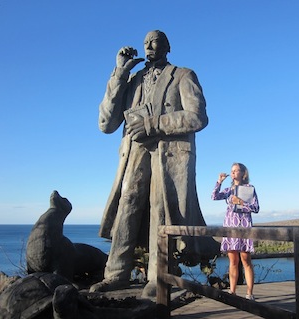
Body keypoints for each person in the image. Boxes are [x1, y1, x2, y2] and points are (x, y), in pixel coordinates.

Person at [91, 30, 218, 297]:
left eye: (155, 40)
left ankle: (157, 276)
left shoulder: (183, 75)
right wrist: (118, 74)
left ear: (168, 46)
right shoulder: (132, 80)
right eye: (146, 42)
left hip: (167, 152)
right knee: (128, 202)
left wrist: (153, 124)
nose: (149, 45)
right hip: (134, 151)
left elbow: (197, 117)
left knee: (161, 208)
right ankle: (115, 274)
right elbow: (106, 124)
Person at [211, 163, 259, 300]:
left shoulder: (250, 189)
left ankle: (250, 293)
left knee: (246, 260)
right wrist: (219, 182)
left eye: (236, 170)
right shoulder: (229, 190)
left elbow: (256, 207)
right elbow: (214, 196)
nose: (233, 173)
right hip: (230, 226)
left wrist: (241, 203)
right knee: (233, 261)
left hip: (244, 226)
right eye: (231, 171)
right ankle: (232, 292)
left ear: (243, 173)